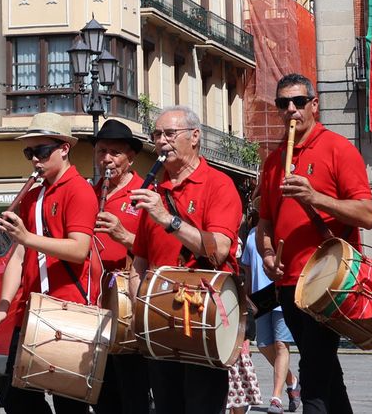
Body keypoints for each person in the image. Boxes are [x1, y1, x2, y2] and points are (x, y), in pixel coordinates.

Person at [255, 73, 372, 414]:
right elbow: (265, 222)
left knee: (313, 371)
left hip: (330, 281)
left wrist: (316, 197)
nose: (290, 110)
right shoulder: (274, 160)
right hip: (290, 282)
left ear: (314, 105)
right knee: (322, 366)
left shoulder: (338, 148)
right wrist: (266, 254)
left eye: (298, 102)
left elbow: (367, 214)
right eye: (283, 104)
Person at [130, 104, 243, 414]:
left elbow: (218, 249)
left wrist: (168, 219)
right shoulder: (155, 189)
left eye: (170, 133)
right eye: (157, 135)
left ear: (194, 137)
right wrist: (139, 306)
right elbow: (139, 260)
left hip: (202, 317)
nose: (162, 141)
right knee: (166, 405)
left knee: (201, 404)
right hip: (160, 318)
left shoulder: (219, 185)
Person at [0, 113, 100, 414]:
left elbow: (79, 249)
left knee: (68, 404)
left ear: (64, 148)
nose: (35, 160)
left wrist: (27, 237)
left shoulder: (80, 190)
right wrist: (3, 304)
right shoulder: (33, 195)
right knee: (13, 390)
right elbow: (19, 254)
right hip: (31, 311)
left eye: (41, 152)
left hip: (67, 310)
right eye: (29, 153)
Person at [91, 117, 149, 414]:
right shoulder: (91, 192)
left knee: (133, 388)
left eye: (115, 153)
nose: (106, 159)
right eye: (102, 152)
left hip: (129, 301)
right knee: (102, 392)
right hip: (96, 302)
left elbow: (160, 249)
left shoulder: (145, 194)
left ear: (131, 157)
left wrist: (124, 236)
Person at [241, 209, 299, 413]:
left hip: (281, 293)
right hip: (260, 298)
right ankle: (292, 380)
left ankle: (276, 398)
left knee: (281, 345)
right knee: (265, 345)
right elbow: (247, 271)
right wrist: (245, 299)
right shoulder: (251, 235)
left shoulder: (283, 232)